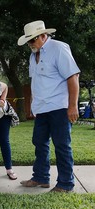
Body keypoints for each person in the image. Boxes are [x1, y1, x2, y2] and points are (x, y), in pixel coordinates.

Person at [17, 20, 80, 192]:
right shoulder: (33, 55)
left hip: (59, 107)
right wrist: (33, 103)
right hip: (41, 108)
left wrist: (72, 106)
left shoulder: (59, 49)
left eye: (32, 40)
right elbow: (36, 82)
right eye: (28, 41)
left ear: (43, 35)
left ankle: (66, 184)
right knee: (39, 142)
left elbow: (72, 77)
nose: (30, 44)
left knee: (61, 144)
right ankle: (41, 177)